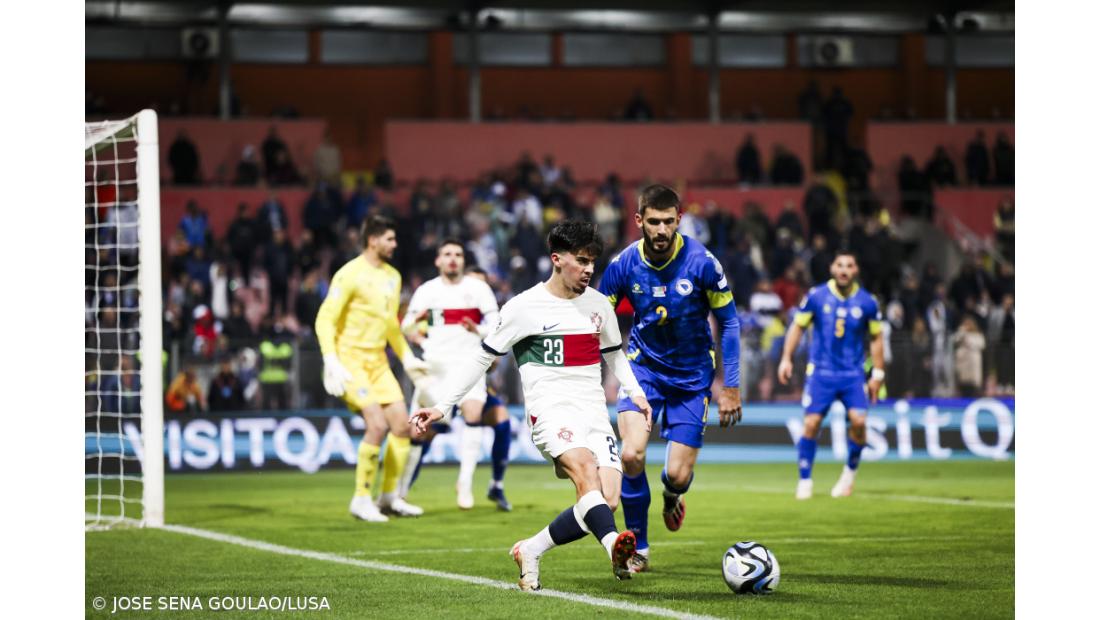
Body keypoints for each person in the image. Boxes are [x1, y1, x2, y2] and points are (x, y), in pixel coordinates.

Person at [409, 219, 652, 590]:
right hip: (550, 412)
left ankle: (531, 549)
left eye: (592, 261)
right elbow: (481, 357)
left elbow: (614, 354)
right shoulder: (523, 308)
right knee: (585, 471)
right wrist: (443, 406)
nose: (589, 268)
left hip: (593, 413)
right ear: (557, 259)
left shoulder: (598, 305)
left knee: (607, 499)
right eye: (581, 260)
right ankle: (613, 547)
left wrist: (636, 391)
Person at [596, 184, 743, 573]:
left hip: (692, 379)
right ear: (639, 220)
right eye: (654, 222)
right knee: (631, 454)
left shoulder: (702, 263)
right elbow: (597, 318)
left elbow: (729, 322)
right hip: (642, 370)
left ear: (679, 219)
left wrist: (730, 385)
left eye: (668, 221)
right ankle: (639, 546)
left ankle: (672, 495)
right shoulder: (623, 265)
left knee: (678, 475)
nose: (661, 230)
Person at [315, 215, 430, 522]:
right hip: (350, 361)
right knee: (377, 425)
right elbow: (325, 318)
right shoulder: (349, 274)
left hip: (378, 362)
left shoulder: (393, 276)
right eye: (389, 239)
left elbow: (390, 324)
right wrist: (330, 358)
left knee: (402, 426)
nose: (395, 244)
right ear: (373, 240)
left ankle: (389, 497)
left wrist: (407, 358)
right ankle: (361, 498)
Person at [398, 240, 508, 510]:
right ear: (438, 261)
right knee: (420, 432)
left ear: (463, 261)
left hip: (470, 363)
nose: (453, 259)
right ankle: (399, 493)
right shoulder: (427, 291)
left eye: (458, 254)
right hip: (435, 366)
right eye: (447, 254)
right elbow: (406, 326)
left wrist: (478, 330)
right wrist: (415, 326)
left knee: (473, 413)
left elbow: (497, 324)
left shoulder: (478, 289)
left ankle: (465, 484)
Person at [777, 251, 884, 500]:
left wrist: (878, 373)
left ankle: (849, 475)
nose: (844, 270)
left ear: (856, 270)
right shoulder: (816, 296)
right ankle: (805, 480)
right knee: (811, 424)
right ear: (832, 268)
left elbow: (876, 338)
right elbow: (798, 327)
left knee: (859, 422)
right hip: (821, 373)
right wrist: (786, 358)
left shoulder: (867, 302)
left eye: (849, 265)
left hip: (853, 374)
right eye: (840, 265)